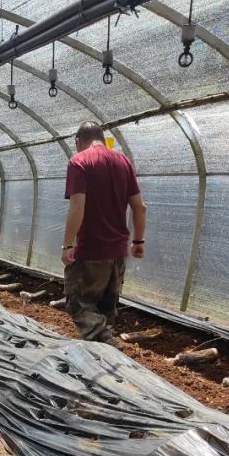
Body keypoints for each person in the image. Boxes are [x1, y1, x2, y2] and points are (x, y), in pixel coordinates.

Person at [60, 121, 147, 344]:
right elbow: (139, 206)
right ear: (102, 137)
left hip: (91, 250)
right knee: (106, 309)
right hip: (118, 252)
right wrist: (138, 241)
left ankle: (109, 346)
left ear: (78, 142)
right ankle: (105, 362)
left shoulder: (79, 162)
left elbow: (77, 206)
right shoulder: (123, 162)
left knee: (79, 304)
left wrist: (68, 245)